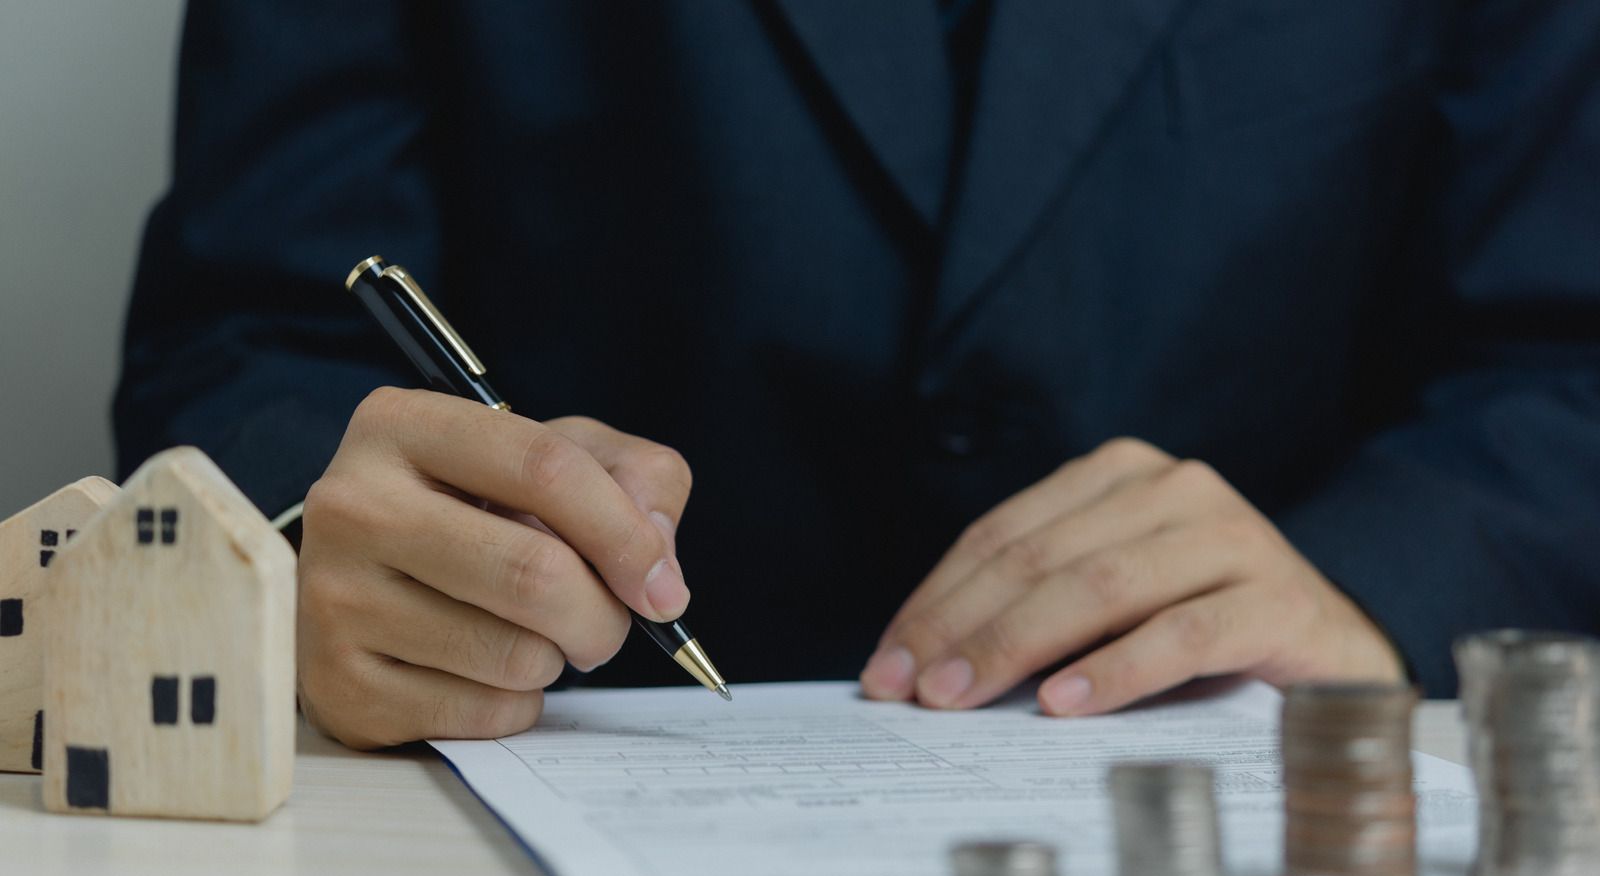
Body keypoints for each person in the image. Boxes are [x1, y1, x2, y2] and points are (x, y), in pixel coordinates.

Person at [118, 2, 1600, 748]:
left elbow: (1563, 364)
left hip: (1262, 854)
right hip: (504, 830)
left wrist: (1371, 583)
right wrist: (314, 548)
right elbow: (250, 329)